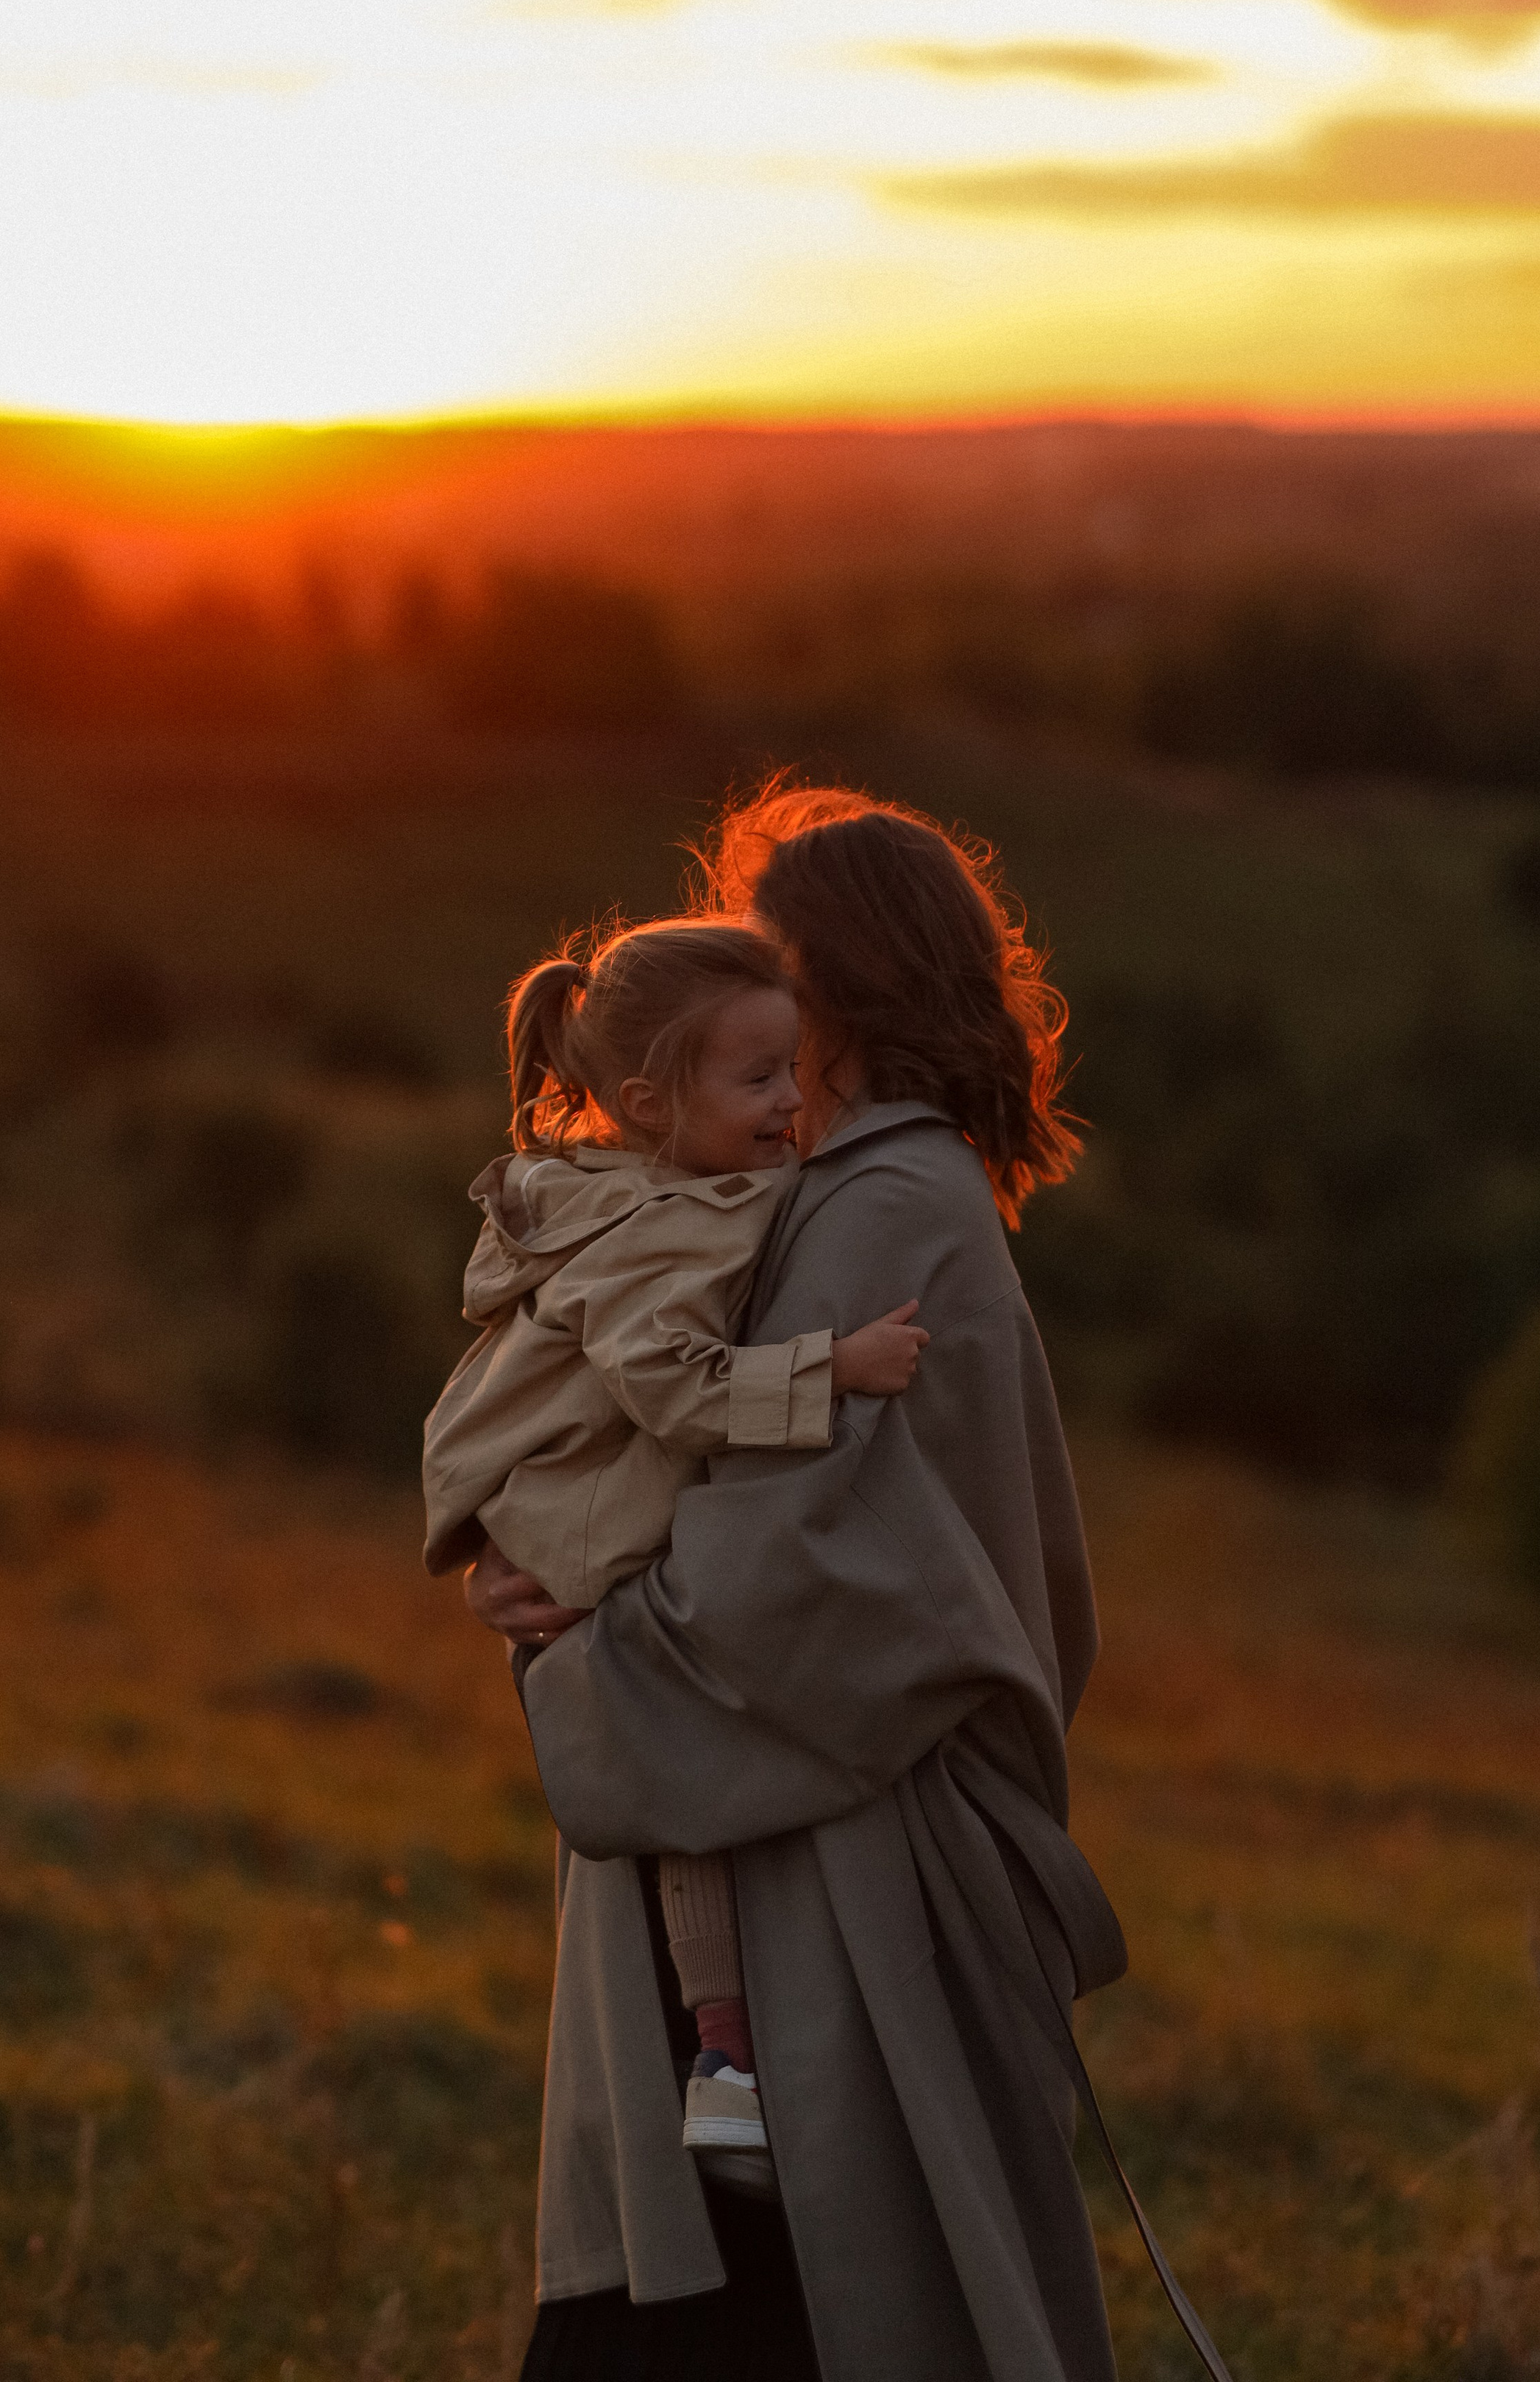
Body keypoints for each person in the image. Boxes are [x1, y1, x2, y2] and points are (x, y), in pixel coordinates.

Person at [467, 780, 1136, 2382]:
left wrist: (576, 1646)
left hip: (819, 1887)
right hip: (774, 1845)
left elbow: (787, 1575)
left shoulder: (882, 1203)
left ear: (835, 992)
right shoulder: (848, 1195)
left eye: (768, 968)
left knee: (752, 2324)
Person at [424, 914, 928, 2185]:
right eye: (757, 1080)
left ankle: (731, 2059)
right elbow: (674, 1389)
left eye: (794, 1069)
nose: (788, 1102)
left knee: (686, 1768)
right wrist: (836, 1367)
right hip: (588, 1519)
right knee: (684, 1782)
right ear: (650, 1101)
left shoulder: (660, 1182)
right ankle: (727, 2060)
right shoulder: (663, 1227)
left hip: (567, 1501)